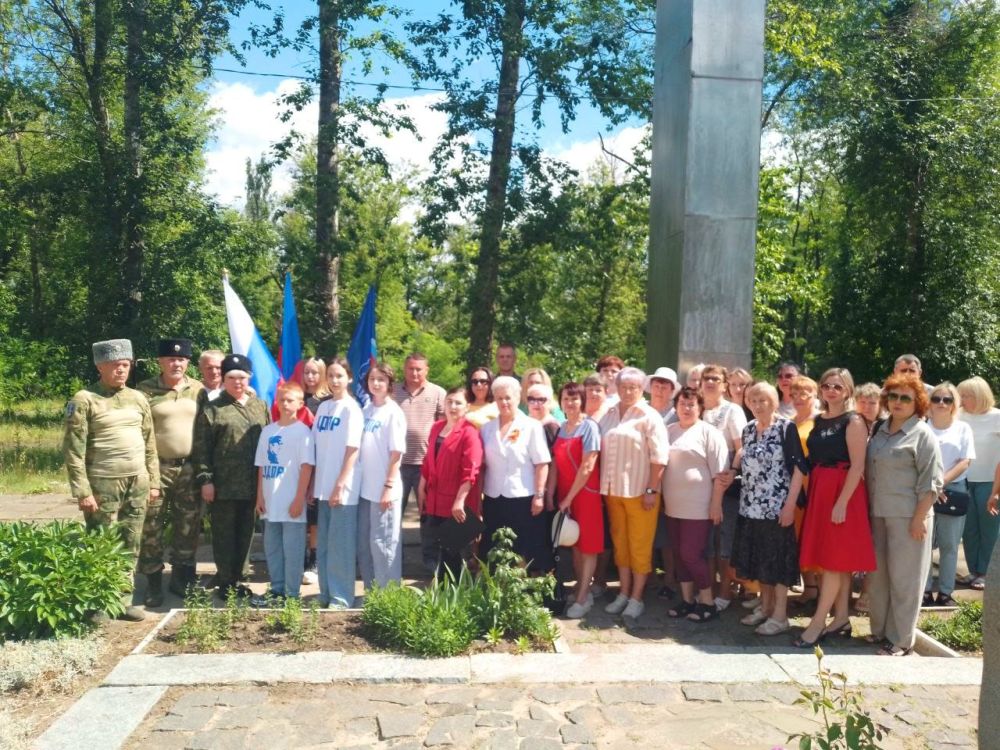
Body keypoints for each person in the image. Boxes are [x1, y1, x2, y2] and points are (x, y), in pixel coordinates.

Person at [64, 339, 160, 621]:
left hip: (137, 481)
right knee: (100, 541)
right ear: (99, 366)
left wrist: (153, 482)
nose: (121, 370)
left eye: (126, 365)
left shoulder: (138, 398)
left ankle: (123, 599)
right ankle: (98, 602)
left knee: (131, 540)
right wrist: (82, 491)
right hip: (102, 482)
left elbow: (149, 442)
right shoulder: (84, 399)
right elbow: (73, 449)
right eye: (115, 365)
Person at [795, 368, 876, 647]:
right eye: (827, 385)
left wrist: (841, 502)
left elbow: (857, 466)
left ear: (848, 391)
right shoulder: (819, 421)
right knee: (835, 561)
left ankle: (818, 622)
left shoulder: (854, 421)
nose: (831, 390)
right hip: (821, 490)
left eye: (838, 387)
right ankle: (841, 617)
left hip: (843, 494)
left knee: (833, 559)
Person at [866, 374, 943, 656]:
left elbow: (932, 483)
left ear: (917, 403)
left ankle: (900, 641)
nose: (897, 402)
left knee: (905, 580)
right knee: (879, 578)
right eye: (894, 396)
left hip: (909, 517)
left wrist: (919, 518)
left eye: (905, 398)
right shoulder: (879, 429)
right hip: (878, 514)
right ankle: (880, 632)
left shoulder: (923, 436)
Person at [731, 383, 807, 635]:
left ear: (774, 402)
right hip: (750, 507)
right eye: (753, 399)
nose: (757, 404)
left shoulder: (786, 428)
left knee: (779, 563)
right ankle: (765, 607)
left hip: (777, 508)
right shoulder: (748, 430)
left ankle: (780, 615)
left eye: (763, 399)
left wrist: (788, 506)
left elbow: (799, 469)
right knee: (760, 561)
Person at [193, 354, 269, 600]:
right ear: (223, 379)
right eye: (231, 377)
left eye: (242, 377)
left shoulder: (260, 406)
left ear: (250, 379)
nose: (237, 382)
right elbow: (202, 448)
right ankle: (226, 582)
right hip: (223, 485)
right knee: (224, 536)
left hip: (252, 485)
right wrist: (206, 480)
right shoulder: (212, 409)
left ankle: (240, 580)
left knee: (246, 535)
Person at [136, 338, 205, 604]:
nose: (176, 363)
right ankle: (153, 583)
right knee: (151, 524)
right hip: (156, 468)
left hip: (188, 467)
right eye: (170, 359)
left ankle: (182, 581)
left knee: (187, 525)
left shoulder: (198, 390)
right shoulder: (145, 391)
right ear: (160, 362)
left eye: (181, 359)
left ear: (187, 362)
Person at [600, 367, 670, 620]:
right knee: (621, 545)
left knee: (639, 547)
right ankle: (623, 592)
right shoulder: (608, 414)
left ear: (642, 389)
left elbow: (660, 457)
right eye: (624, 386)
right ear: (617, 388)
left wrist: (652, 489)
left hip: (641, 492)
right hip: (612, 491)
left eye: (634, 387)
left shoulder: (649, 416)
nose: (628, 391)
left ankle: (637, 598)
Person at [662, 386, 728, 623]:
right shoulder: (668, 431)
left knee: (692, 555)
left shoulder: (709, 433)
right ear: (676, 407)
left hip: (698, 508)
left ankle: (707, 602)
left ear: (700, 408)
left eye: (691, 404)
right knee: (679, 555)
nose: (687, 408)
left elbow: (720, 474)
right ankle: (687, 600)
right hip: (672, 506)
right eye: (682, 404)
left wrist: (716, 504)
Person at [250, 382, 315, 607]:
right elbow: (261, 466)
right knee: (273, 549)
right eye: (282, 400)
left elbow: (307, 467)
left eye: (290, 400)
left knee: (293, 550)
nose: (285, 404)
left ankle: (291, 593)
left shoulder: (303, 432)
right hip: (270, 504)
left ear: (300, 403)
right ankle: (276, 589)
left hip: (291, 503)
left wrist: (299, 498)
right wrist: (260, 496)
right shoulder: (268, 431)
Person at [479, 376, 552, 571]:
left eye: (508, 398)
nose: (504, 402)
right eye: (499, 398)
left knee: (523, 548)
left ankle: (523, 595)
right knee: (495, 548)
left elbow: (542, 463)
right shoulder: (486, 429)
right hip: (494, 497)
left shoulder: (532, 426)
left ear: (518, 398)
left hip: (524, 497)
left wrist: (539, 495)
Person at [546, 382, 603, 618]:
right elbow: (556, 466)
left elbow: (588, 466)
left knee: (587, 546)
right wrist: (551, 493)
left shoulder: (590, 427)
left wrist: (569, 497)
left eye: (575, 399)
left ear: (582, 401)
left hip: (585, 493)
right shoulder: (561, 428)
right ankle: (581, 588)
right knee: (575, 546)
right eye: (566, 399)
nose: (570, 403)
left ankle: (582, 598)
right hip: (565, 494)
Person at [312, 358, 364, 608]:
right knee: (324, 545)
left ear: (349, 378)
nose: (334, 380)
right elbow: (316, 448)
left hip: (343, 489)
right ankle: (325, 593)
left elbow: (352, 449)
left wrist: (340, 484)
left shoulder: (351, 409)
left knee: (340, 546)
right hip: (322, 487)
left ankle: (342, 597)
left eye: (340, 376)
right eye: (331, 376)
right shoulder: (323, 408)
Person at [418, 386, 484, 576]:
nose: (453, 406)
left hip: (457, 504)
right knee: (440, 552)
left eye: (458, 403)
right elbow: (428, 460)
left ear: (467, 407)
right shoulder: (437, 427)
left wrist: (460, 500)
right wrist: (422, 484)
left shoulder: (469, 432)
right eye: (450, 401)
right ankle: (442, 597)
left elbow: (471, 470)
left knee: (453, 556)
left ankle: (454, 600)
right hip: (436, 500)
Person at [699, 364, 747, 611]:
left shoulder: (732, 410)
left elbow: (741, 446)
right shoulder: (696, 409)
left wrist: (733, 471)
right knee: (705, 541)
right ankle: (706, 587)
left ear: (724, 384)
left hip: (726, 481)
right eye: (706, 378)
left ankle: (725, 591)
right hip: (698, 483)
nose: (710, 382)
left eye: (715, 378)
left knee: (724, 540)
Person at [392, 353, 446, 573]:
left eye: (419, 369)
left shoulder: (438, 393)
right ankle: (395, 560)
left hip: (426, 465)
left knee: (427, 515)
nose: (414, 373)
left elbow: (445, 427)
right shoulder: (393, 391)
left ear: (427, 370)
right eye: (411, 369)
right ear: (404, 369)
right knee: (395, 514)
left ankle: (430, 561)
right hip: (397, 464)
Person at [923, 382, 974, 607]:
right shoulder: (921, 426)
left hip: (953, 489)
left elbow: (966, 461)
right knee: (923, 544)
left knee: (949, 545)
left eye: (947, 399)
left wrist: (941, 482)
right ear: (929, 403)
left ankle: (945, 592)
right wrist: (932, 485)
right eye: (936, 399)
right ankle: (924, 590)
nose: (941, 403)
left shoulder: (963, 428)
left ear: (954, 403)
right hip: (924, 490)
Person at [358, 362, 407, 590]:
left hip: (384, 489)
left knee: (384, 544)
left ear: (389, 384)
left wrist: (388, 485)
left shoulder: (393, 412)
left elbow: (396, 453)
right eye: (372, 380)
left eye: (381, 380)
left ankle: (389, 596)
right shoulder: (366, 410)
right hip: (365, 489)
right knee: (367, 545)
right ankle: (372, 593)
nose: (375, 384)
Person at [957, 376, 1000, 590]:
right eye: (961, 395)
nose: (962, 399)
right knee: (969, 529)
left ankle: (986, 571)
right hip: (963, 480)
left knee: (989, 528)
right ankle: (973, 570)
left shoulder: (997, 417)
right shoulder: (958, 416)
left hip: (990, 482)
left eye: (967, 395)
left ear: (981, 396)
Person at [790, 374, 820, 604]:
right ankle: (809, 588)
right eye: (794, 393)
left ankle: (819, 589)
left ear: (814, 395)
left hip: (813, 487)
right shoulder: (791, 421)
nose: (798, 398)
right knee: (798, 537)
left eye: (804, 393)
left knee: (814, 537)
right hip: (792, 489)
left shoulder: (819, 422)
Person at [526, 382, 561, 449]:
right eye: (531, 399)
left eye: (541, 400)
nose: (536, 403)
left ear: (549, 402)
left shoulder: (551, 426)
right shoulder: (525, 422)